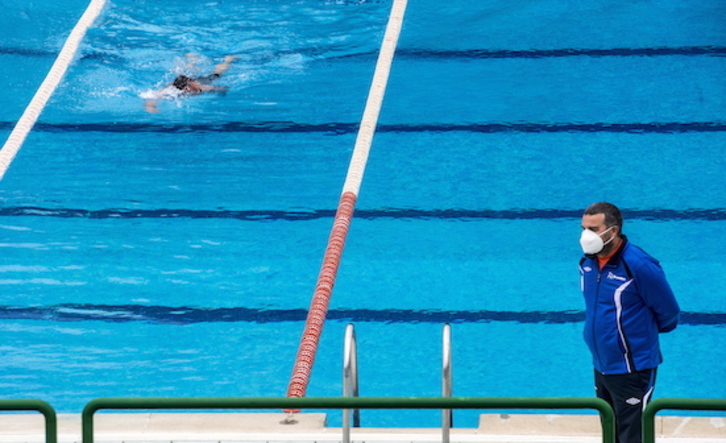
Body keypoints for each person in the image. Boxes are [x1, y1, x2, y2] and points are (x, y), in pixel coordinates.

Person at [579, 202, 680, 443]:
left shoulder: (638, 265)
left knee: (632, 435)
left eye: (593, 229)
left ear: (612, 231)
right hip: (602, 363)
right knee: (610, 432)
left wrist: (637, 340)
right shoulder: (587, 263)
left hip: (632, 367)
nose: (585, 235)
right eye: (583, 228)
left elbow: (669, 310)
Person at [144, 54, 238, 113]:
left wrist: (221, 91)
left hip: (197, 82)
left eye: (190, 87)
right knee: (186, 74)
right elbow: (153, 96)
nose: (188, 90)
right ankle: (192, 59)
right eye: (186, 89)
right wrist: (151, 107)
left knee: (216, 75)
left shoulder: (201, 86)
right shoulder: (173, 90)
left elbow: (221, 88)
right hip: (182, 83)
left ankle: (229, 59)